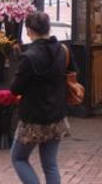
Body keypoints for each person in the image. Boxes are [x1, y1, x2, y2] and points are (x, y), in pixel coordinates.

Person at [10, 11, 76, 184]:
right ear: (48, 28)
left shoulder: (29, 57)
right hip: (57, 116)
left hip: (33, 119)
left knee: (18, 158)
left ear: (29, 30)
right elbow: (73, 73)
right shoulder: (63, 50)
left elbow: (15, 89)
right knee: (50, 165)